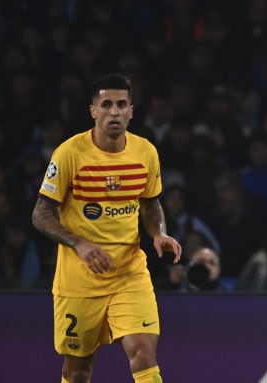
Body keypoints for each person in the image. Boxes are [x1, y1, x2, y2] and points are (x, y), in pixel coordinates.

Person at [31, 73, 182, 383]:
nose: (114, 111)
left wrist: (158, 233)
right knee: (78, 371)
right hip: (79, 281)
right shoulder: (69, 154)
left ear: (131, 111)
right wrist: (79, 244)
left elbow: (150, 203)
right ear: (93, 110)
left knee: (143, 352)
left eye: (121, 104)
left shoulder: (145, 153)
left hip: (129, 274)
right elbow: (41, 213)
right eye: (107, 104)